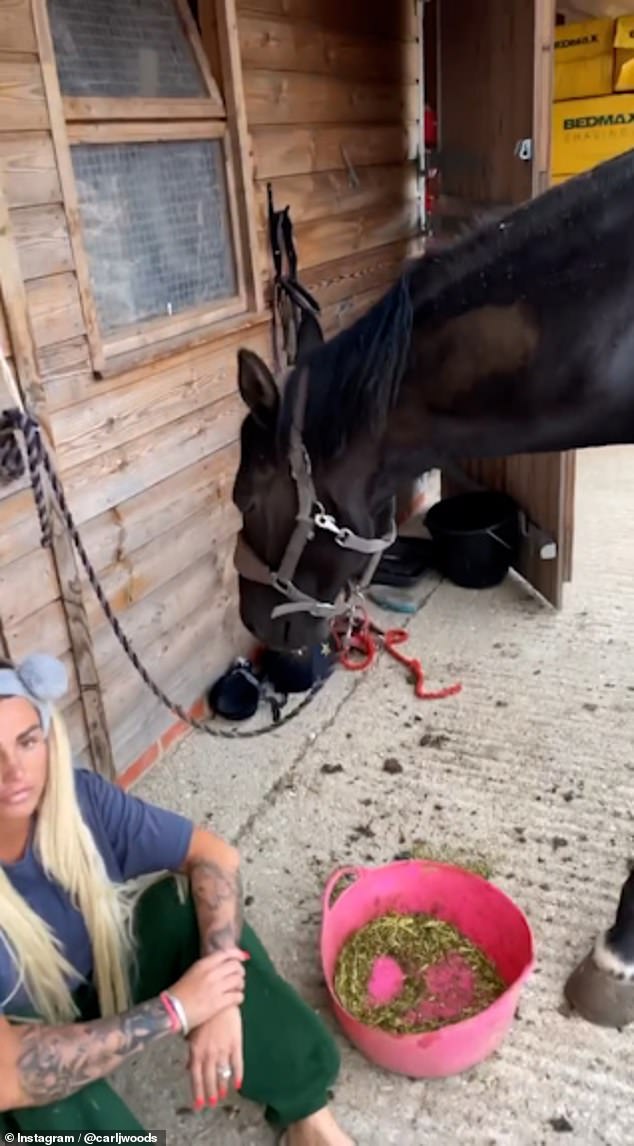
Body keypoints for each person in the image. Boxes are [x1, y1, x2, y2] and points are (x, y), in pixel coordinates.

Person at [0, 653, 354, 1146]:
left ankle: (307, 1116)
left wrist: (222, 997)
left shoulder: (76, 799)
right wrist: (179, 1009)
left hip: (91, 983)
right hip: (12, 1043)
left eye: (26, 741)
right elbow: (10, 1075)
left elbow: (214, 857)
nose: (13, 770)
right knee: (34, 1098)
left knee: (186, 907)